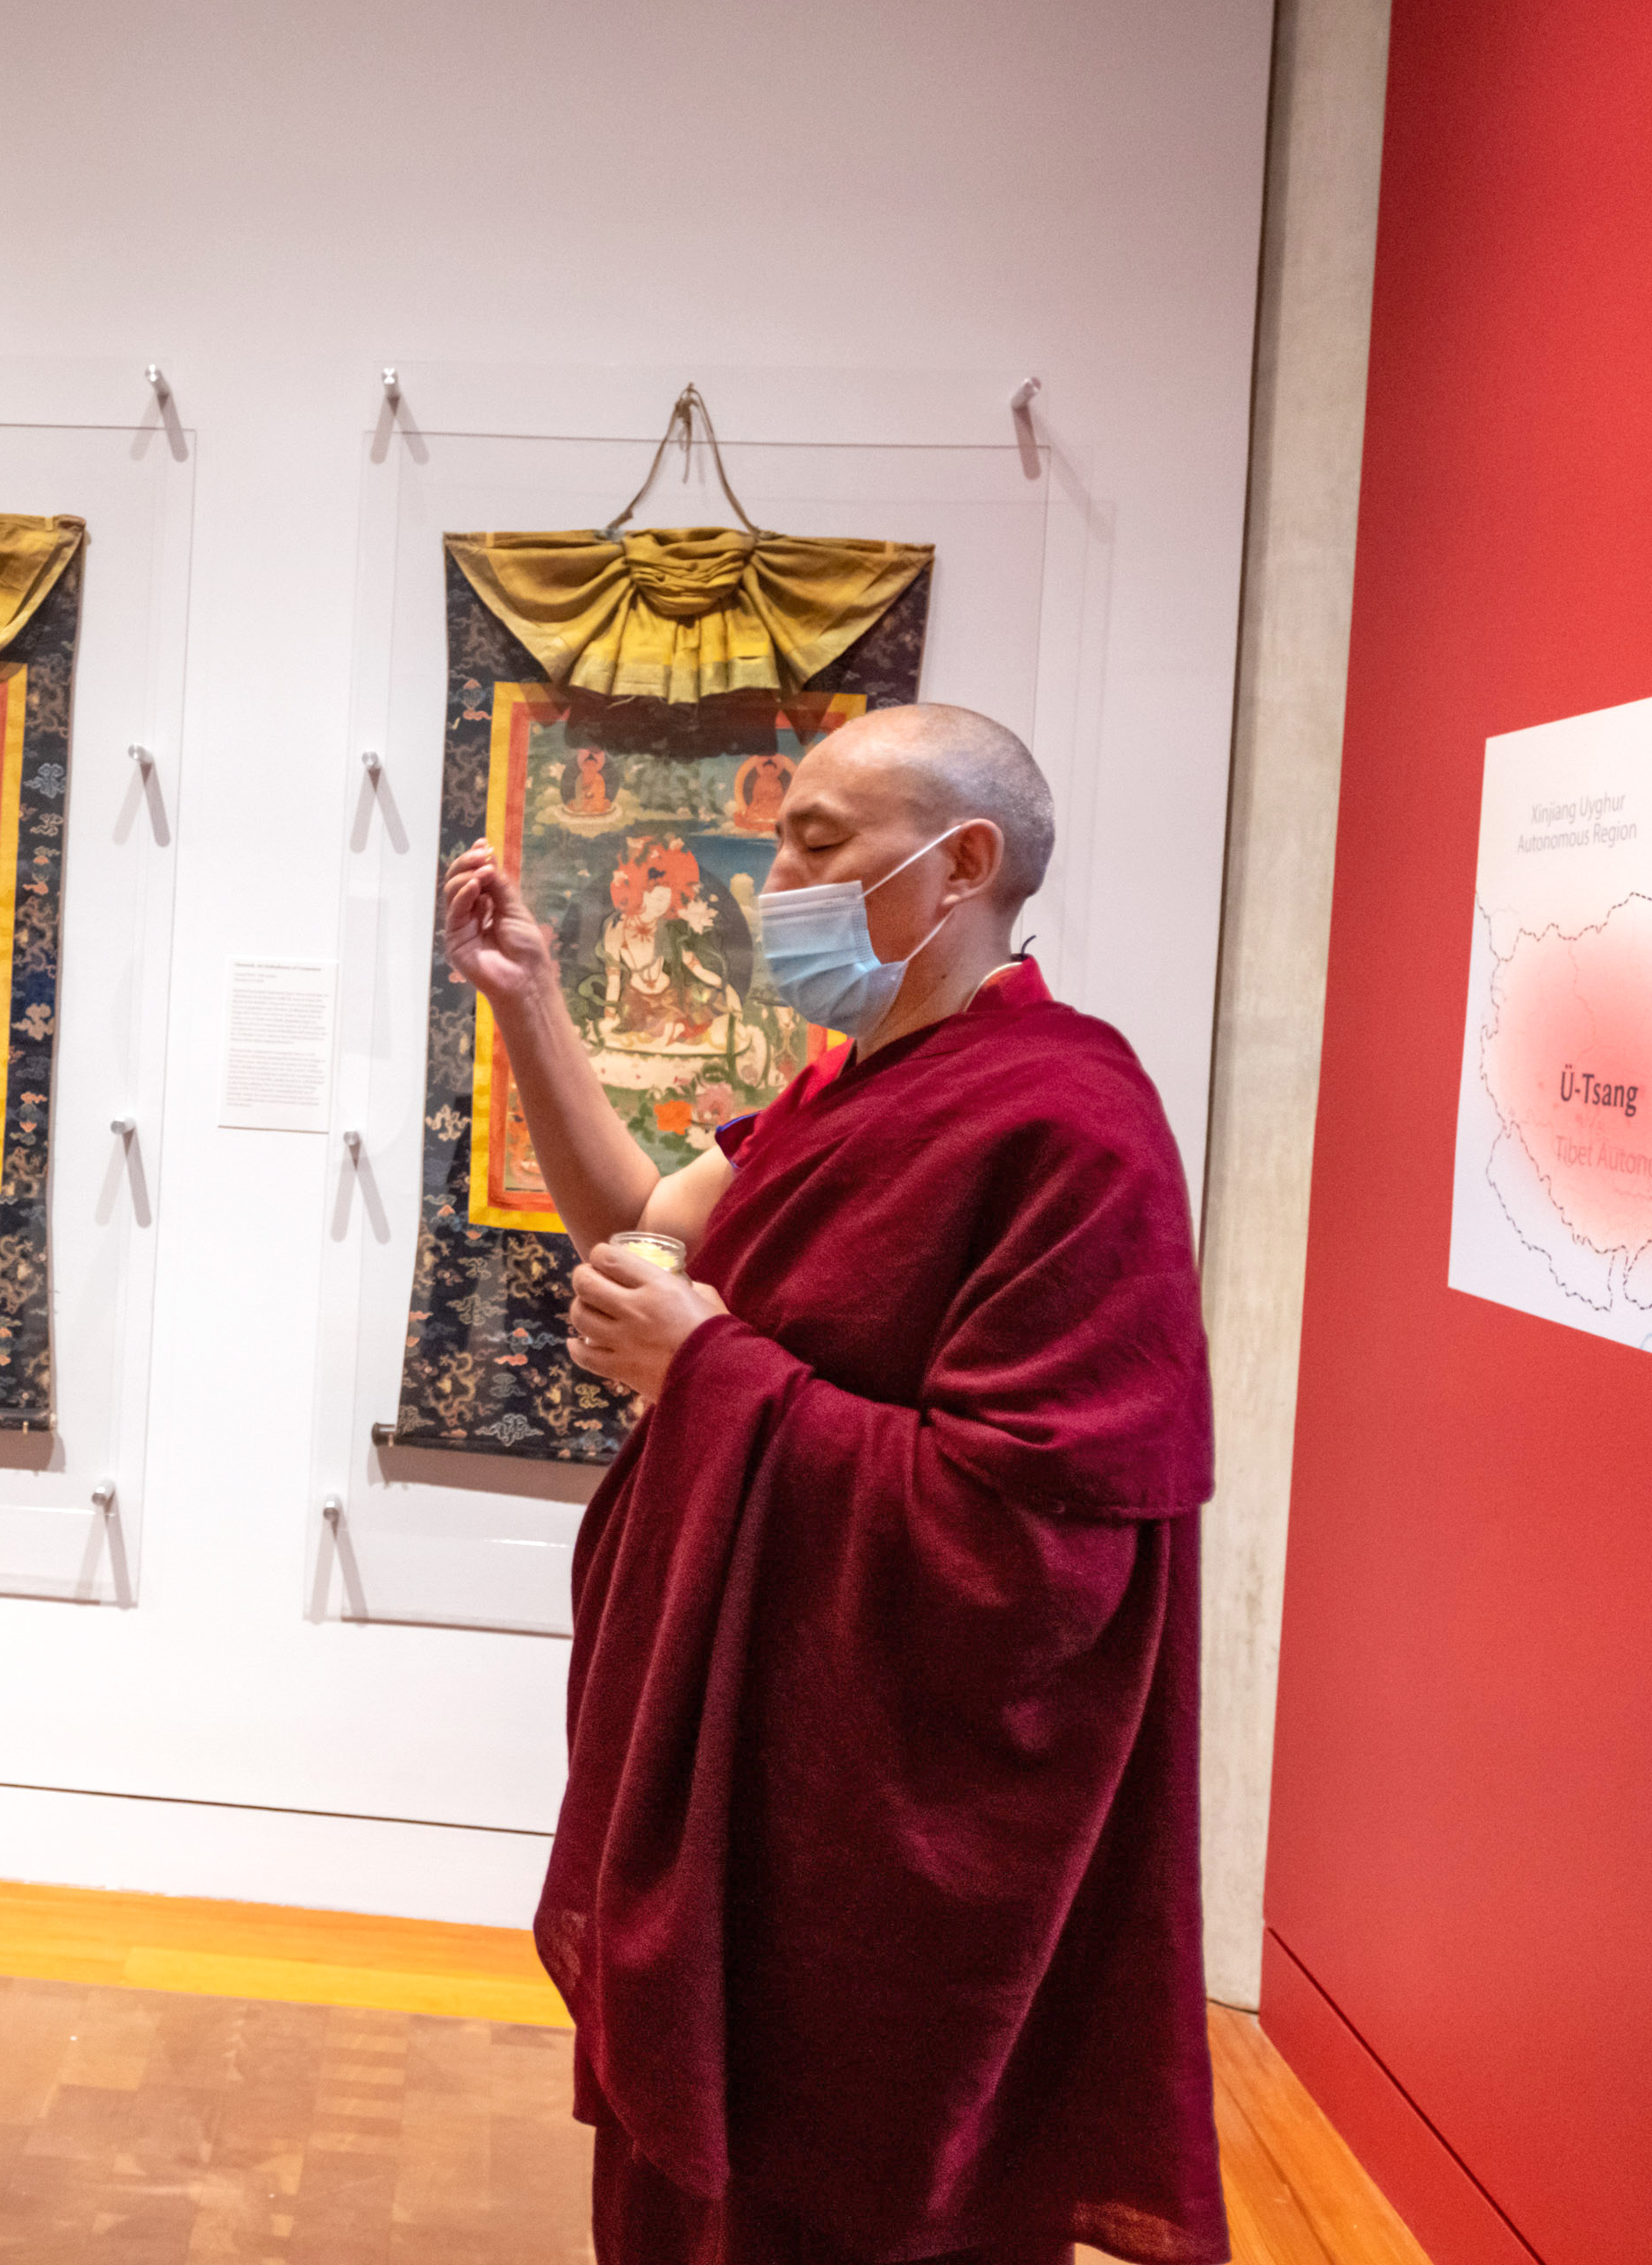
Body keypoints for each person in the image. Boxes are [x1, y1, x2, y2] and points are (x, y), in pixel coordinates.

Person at [441, 704, 1226, 2265]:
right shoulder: (848, 1085)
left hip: (884, 1810)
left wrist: (708, 1372)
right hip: (751, 1754)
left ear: (964, 866)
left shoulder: (1069, 1121)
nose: (771, 884)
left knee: (843, 2197)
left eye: (815, 844)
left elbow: (1040, 1556)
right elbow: (648, 1223)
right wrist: (527, 1004)